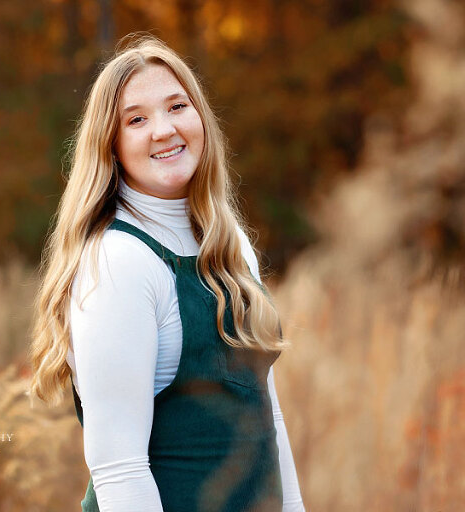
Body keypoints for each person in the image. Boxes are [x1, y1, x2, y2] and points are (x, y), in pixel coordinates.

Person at [29, 35, 305, 512]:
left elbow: (267, 418)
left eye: (177, 106)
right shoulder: (120, 262)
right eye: (136, 119)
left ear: (201, 119)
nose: (163, 129)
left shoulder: (228, 242)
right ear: (110, 146)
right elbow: (119, 468)